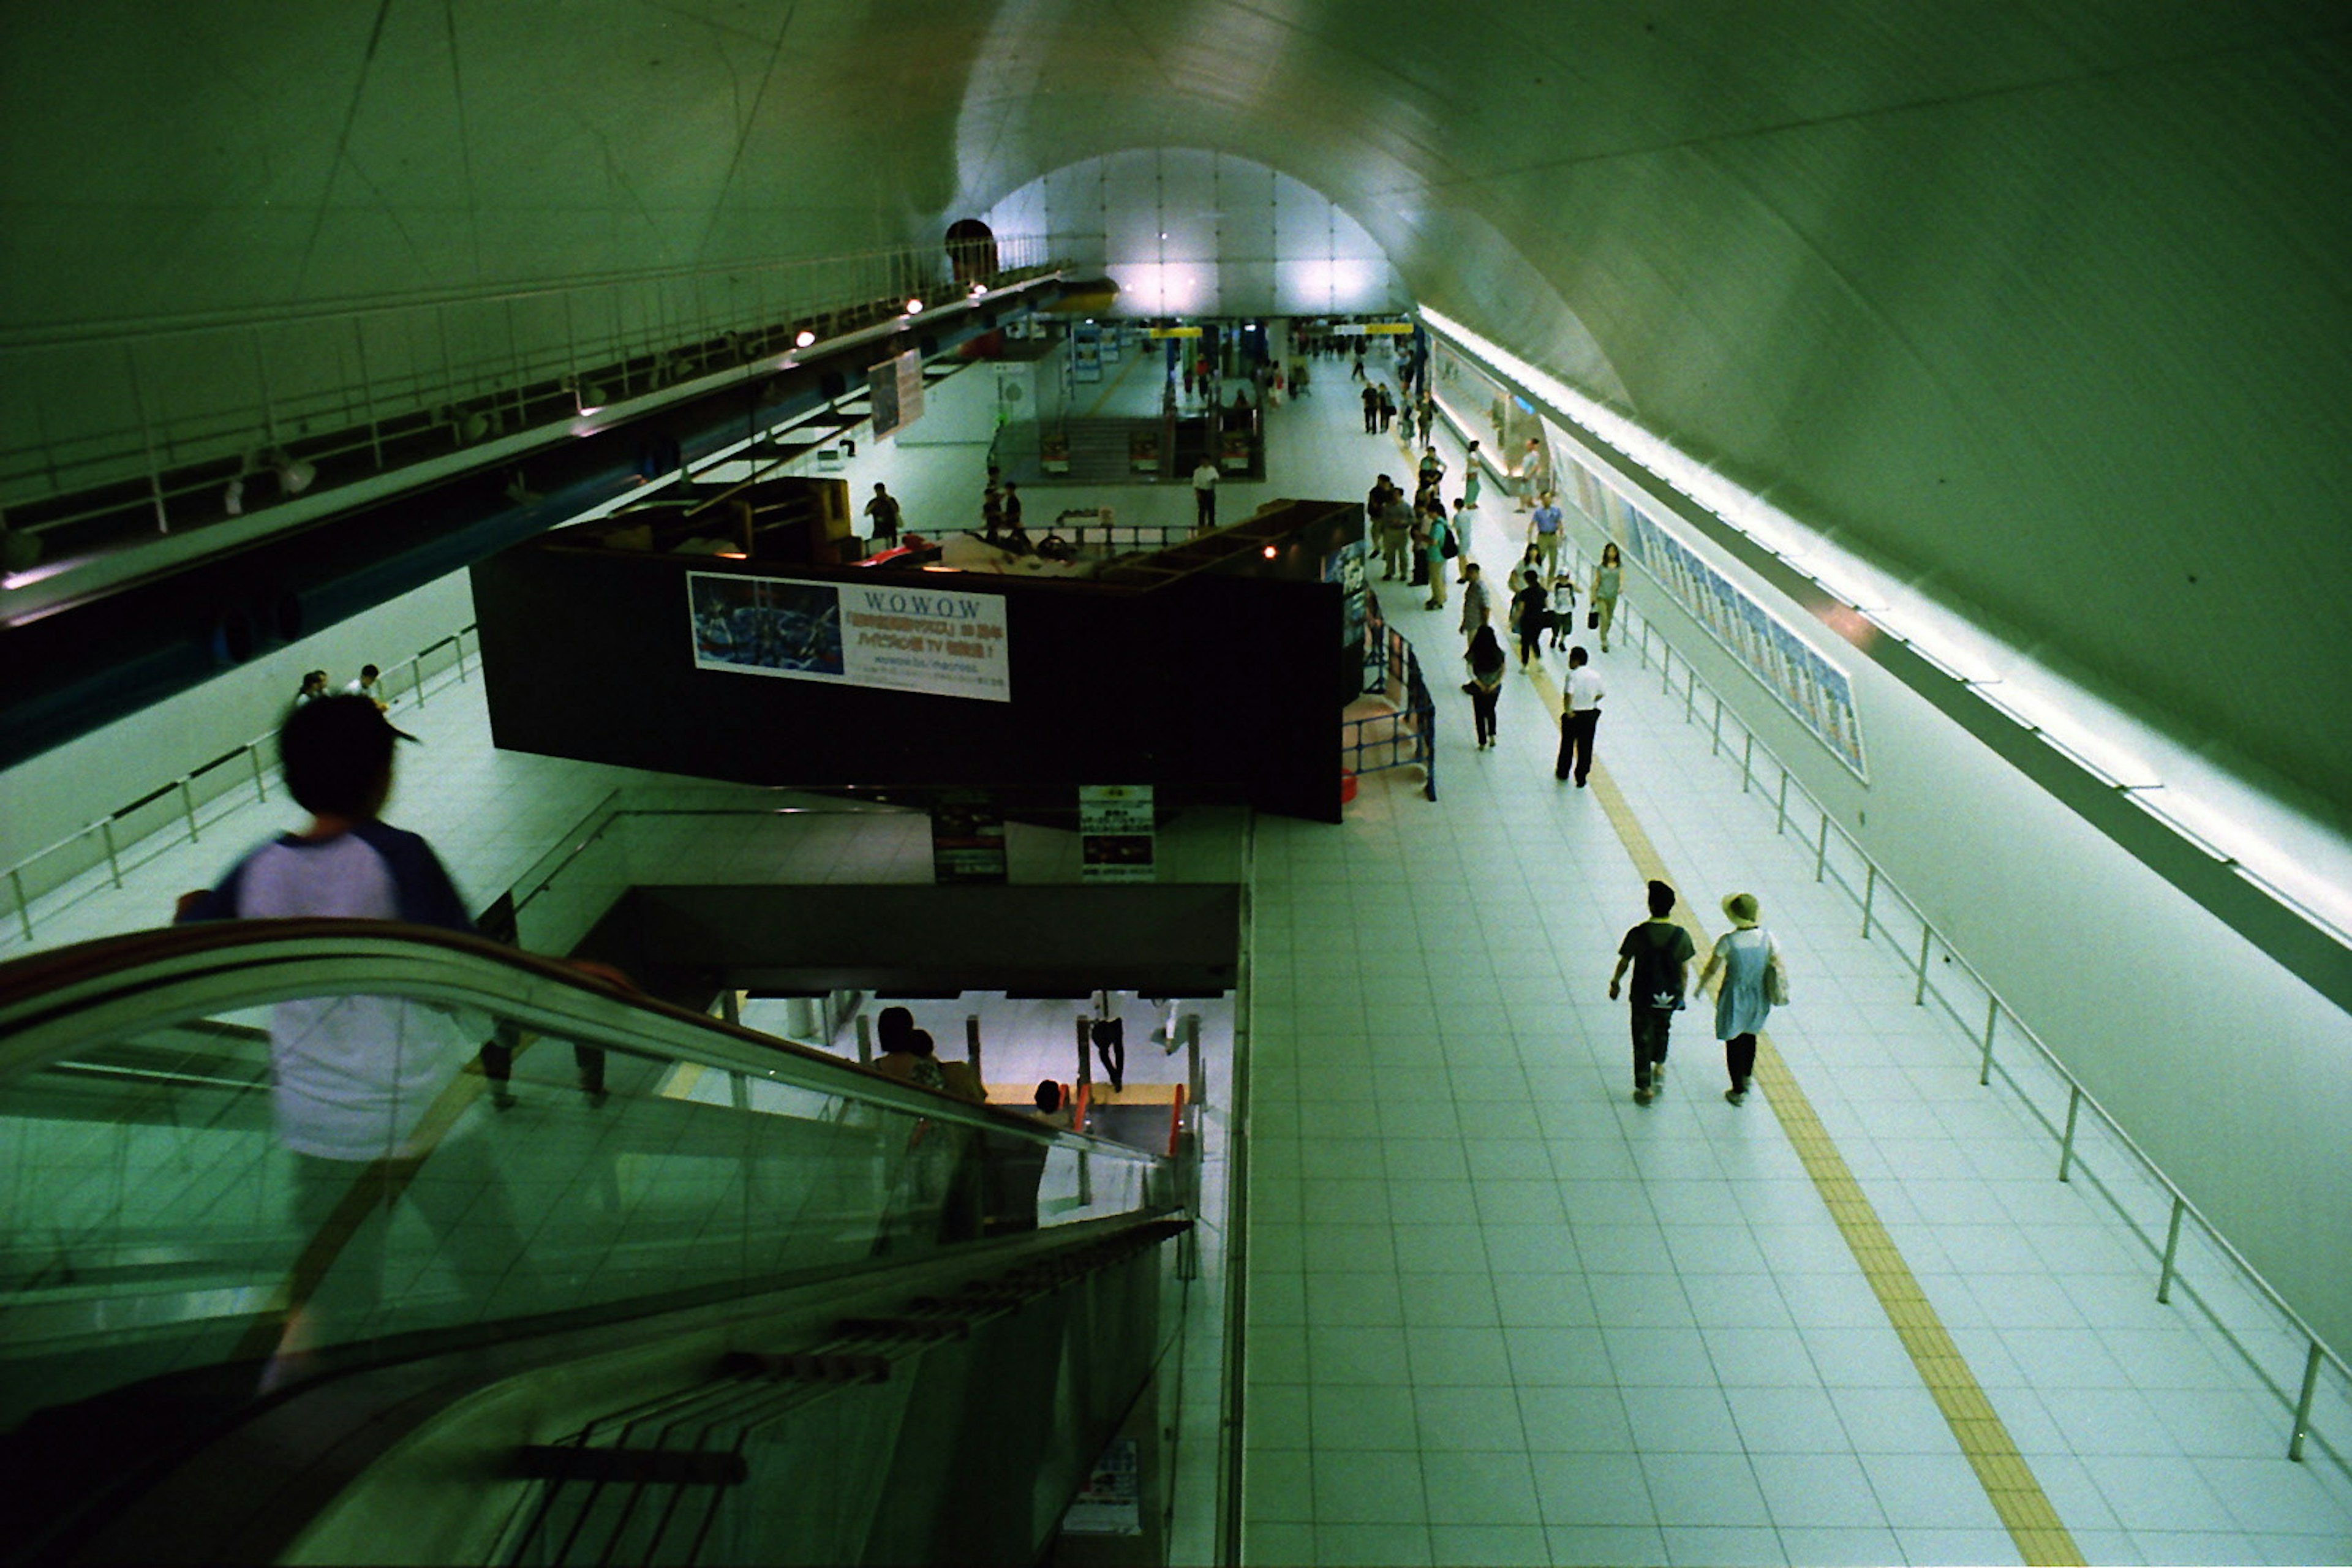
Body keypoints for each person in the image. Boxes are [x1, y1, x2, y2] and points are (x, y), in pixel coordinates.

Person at [173, 695, 533, 1383]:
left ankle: (329, 1418)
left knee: (340, 1288)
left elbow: (195, 940)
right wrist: (521, 1014)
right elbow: (469, 970)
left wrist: (194, 910)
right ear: (379, 774)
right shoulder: (399, 857)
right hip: (425, 1118)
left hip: (318, 1124)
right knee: (494, 1270)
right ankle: (519, 1386)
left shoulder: (258, 869)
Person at [1609, 880, 1695, 1104]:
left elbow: (1625, 962)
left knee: (1641, 1037)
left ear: (1650, 905)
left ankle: (1644, 1087)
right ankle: (1660, 1065)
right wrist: (1681, 995)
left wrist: (1615, 982)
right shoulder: (1681, 936)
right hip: (1668, 995)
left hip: (1642, 995)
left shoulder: (1638, 934)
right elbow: (1684, 971)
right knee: (1663, 1028)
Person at [1697, 892, 1785, 1104]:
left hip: (1734, 996)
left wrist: (1701, 986)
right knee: (1750, 1035)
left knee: (1733, 1040)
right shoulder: (1768, 938)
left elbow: (1712, 968)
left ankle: (1737, 1090)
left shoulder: (1728, 942)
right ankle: (1746, 1077)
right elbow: (1777, 965)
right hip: (1759, 995)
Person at [1556, 644, 1605, 785]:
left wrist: (1568, 710)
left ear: (1576, 660)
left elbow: (1568, 694)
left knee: (1567, 744)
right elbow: (1601, 693)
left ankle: (1563, 771)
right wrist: (1590, 701)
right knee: (1586, 746)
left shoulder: (1572, 675)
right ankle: (1581, 776)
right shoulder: (1596, 675)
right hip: (1589, 714)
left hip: (1574, 715)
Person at [1463, 623, 1505, 748]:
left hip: (1478, 689)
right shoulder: (1499, 653)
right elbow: (1503, 671)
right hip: (1494, 689)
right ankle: (1492, 736)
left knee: (1479, 714)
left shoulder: (1474, 653)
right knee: (1491, 710)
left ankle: (1482, 742)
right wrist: (1494, 685)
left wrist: (1480, 685)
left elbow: (1470, 672)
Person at [1509, 570, 1549, 667]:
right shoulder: (1543, 591)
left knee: (1525, 642)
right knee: (1535, 640)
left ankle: (1525, 665)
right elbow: (1547, 605)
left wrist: (1514, 622)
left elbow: (1520, 609)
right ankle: (1539, 661)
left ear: (1526, 580)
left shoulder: (1524, 593)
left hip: (1527, 620)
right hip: (1540, 619)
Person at [1590, 541, 1623, 652]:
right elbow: (1597, 581)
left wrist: (1621, 587)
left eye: (1614, 551)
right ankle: (1604, 640)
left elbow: (1621, 578)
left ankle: (1604, 633)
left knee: (1609, 619)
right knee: (1604, 617)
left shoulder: (1619, 567)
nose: (1612, 554)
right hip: (1602, 595)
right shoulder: (1601, 567)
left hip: (1612, 596)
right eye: (1610, 551)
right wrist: (1593, 596)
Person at [1376, 491, 1414, 581]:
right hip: (1389, 531)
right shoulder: (1387, 507)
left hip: (1402, 532)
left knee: (1403, 554)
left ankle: (1404, 573)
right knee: (1390, 553)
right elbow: (1383, 519)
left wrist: (1404, 522)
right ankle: (1389, 572)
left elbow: (1413, 519)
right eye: (1394, 495)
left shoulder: (1407, 507)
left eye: (1397, 495)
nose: (1395, 497)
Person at [1529, 491, 1564, 582]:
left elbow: (1559, 523)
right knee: (1540, 558)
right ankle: (1538, 578)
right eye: (1545, 498)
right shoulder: (1539, 512)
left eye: (1549, 498)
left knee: (1553, 561)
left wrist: (1561, 536)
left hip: (1553, 536)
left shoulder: (1556, 511)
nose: (1548, 500)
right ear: (1542, 500)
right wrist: (1530, 538)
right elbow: (1533, 524)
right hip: (1543, 536)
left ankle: (1550, 580)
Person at [1422, 506, 1452, 610]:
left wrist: (1422, 537)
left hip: (1436, 556)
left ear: (1435, 512)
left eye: (1429, 512)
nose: (1428, 515)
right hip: (1439, 555)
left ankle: (1438, 600)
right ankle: (1440, 596)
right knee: (1438, 578)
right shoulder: (1442, 523)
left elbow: (1434, 541)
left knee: (1436, 580)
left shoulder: (1437, 526)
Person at [1458, 562, 1491, 648]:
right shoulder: (1472, 586)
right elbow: (1469, 606)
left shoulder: (1481, 589)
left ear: (1477, 573)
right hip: (1471, 623)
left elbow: (1486, 608)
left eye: (1471, 573)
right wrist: (1464, 623)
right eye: (1468, 573)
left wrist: (1485, 626)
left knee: (1475, 649)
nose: (1468, 575)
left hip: (1477, 625)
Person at [864, 481, 902, 546]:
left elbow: (896, 510)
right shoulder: (873, 502)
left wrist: (889, 501)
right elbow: (866, 513)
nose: (879, 493)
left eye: (881, 491)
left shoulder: (891, 500)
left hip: (891, 529)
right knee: (877, 545)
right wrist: (874, 505)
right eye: (878, 491)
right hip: (879, 529)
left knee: (892, 545)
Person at [1450, 497, 1477, 583]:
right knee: (1464, 557)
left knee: (1461, 559)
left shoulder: (1457, 517)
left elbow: (1455, 527)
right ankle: (1467, 573)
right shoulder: (1467, 514)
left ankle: (1464, 576)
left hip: (1461, 539)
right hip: (1468, 537)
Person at [1191, 456, 1219, 531]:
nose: (1205, 462)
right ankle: (1201, 525)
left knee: (1211, 508)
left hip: (1210, 490)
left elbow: (1217, 477)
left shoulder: (1212, 469)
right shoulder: (1198, 471)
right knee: (1202, 509)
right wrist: (1197, 493)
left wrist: (1213, 480)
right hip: (1202, 491)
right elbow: (1196, 483)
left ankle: (1211, 524)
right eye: (1203, 460)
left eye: (1206, 460)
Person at [1461, 442, 1483, 510]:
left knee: (1476, 488)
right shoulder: (1472, 455)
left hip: (1474, 473)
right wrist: (1478, 464)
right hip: (1472, 473)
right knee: (1471, 489)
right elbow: (1474, 463)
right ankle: (1469, 503)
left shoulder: (1474, 454)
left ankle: (1472, 502)